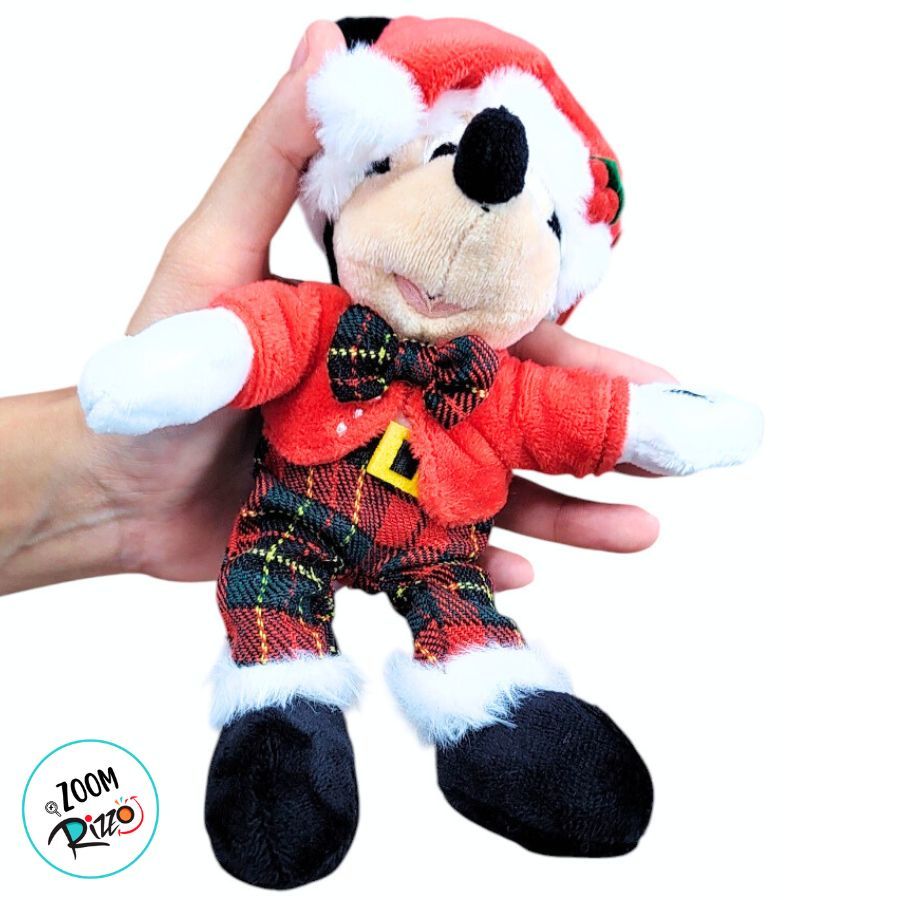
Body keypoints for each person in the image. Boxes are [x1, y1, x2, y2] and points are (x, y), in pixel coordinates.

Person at [0, 20, 668, 599]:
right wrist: (143, 402)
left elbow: (582, 415)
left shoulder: (496, 384)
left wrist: (654, 422)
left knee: (469, 634)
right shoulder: (317, 322)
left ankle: (482, 683)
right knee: (270, 608)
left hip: (439, 550)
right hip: (287, 520)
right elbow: (249, 339)